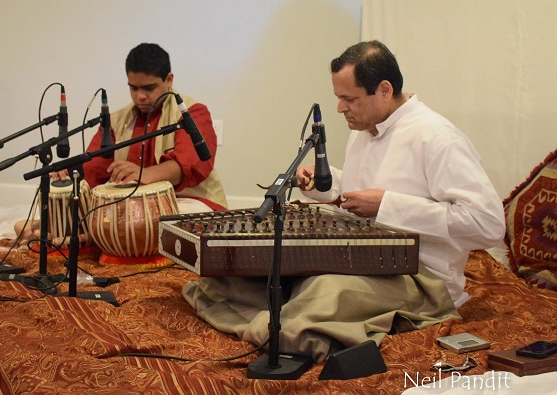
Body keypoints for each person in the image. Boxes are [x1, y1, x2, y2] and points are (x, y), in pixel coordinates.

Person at [182, 40, 505, 363]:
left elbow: (487, 225)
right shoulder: (364, 129)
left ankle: (291, 330)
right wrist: (324, 182)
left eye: (349, 99)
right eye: (339, 97)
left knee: (321, 290)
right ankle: (284, 319)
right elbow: (360, 192)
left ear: (384, 89)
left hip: (422, 277)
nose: (340, 108)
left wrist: (388, 206)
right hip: (362, 255)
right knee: (247, 278)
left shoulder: (437, 138)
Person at [16, 43, 227, 244]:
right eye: (133, 88)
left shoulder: (192, 113)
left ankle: (84, 238)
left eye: (149, 88)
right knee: (102, 215)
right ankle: (64, 232)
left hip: (186, 202)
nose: (140, 96)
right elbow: (94, 166)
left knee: (162, 223)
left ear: (169, 79)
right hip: (129, 207)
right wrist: (68, 174)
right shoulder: (116, 121)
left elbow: (190, 163)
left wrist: (143, 174)